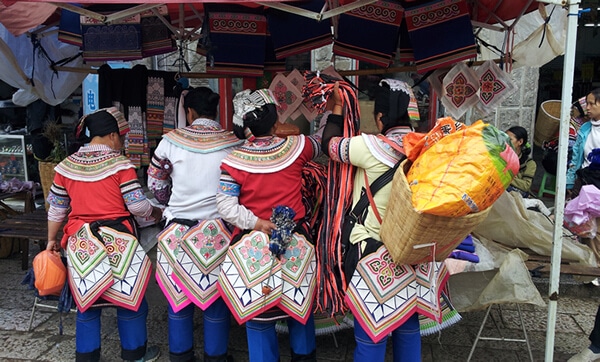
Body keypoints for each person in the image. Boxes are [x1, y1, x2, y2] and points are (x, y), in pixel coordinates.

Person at [321, 79, 454, 361]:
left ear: (380, 117)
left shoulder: (369, 147)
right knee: (407, 326)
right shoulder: (429, 149)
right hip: (414, 252)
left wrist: (336, 106)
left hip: (371, 253)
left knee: (371, 331)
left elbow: (328, 145)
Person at [46, 107, 163, 362]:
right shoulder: (121, 165)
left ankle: (87, 357)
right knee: (130, 297)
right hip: (120, 241)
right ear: (111, 136)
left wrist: (51, 241)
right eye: (121, 137)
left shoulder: (66, 166)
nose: (121, 142)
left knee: (87, 302)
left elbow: (56, 210)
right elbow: (137, 207)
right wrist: (155, 213)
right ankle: (135, 355)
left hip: (81, 242)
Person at [215, 89, 322, 362]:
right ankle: (304, 356)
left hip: (254, 243)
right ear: (276, 123)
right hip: (296, 239)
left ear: (248, 125)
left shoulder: (234, 161)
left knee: (259, 311)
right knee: (300, 305)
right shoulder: (297, 148)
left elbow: (226, 207)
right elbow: (325, 141)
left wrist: (257, 222)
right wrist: (332, 109)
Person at [147, 87, 242, 362]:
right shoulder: (232, 143)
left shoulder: (170, 141)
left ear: (189, 112)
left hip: (177, 231)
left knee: (178, 299)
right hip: (219, 233)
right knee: (215, 300)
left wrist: (168, 202)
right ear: (216, 111)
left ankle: (180, 356)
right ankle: (216, 356)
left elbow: (156, 184)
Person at [567, 88, 600, 197]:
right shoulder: (585, 128)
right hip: (585, 181)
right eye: (587, 103)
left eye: (592, 104)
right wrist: (570, 182)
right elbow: (576, 158)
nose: (588, 108)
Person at [505, 125, 536, 197]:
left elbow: (526, 185)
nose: (506, 142)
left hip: (518, 193)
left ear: (520, 142)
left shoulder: (529, 163)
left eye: (510, 139)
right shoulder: (500, 156)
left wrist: (505, 177)